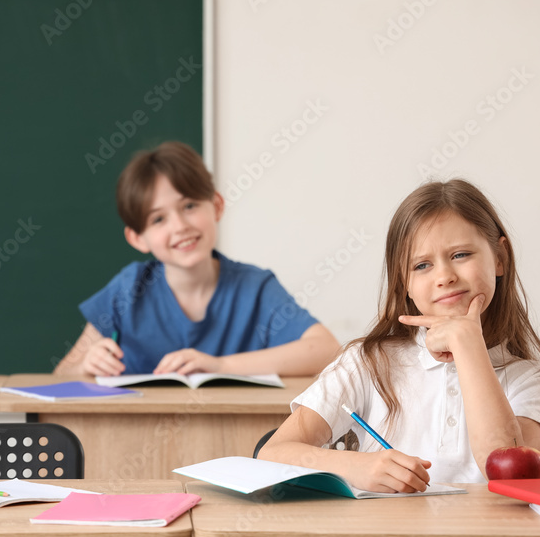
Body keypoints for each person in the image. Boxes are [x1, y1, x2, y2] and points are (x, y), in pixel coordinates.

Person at [258, 179, 540, 491]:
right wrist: (355, 466)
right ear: (404, 283)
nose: (445, 277)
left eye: (461, 255)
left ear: (500, 259)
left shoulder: (537, 381)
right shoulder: (369, 362)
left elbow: (507, 473)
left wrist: (468, 345)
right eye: (422, 265)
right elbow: (272, 454)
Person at [53, 141, 339, 376]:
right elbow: (60, 375)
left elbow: (326, 350)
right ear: (137, 238)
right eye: (158, 219)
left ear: (216, 206)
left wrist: (221, 366)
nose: (179, 226)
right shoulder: (128, 289)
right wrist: (85, 367)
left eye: (189, 206)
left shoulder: (255, 287)